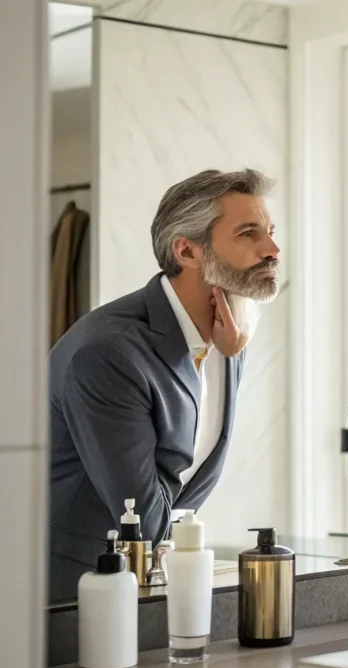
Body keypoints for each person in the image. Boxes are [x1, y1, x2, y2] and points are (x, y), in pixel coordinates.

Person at [49, 169, 281, 601]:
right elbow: (143, 517)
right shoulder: (109, 353)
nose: (272, 249)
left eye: (270, 232)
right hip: (68, 596)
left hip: (145, 589)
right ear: (187, 251)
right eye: (249, 234)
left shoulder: (229, 336)